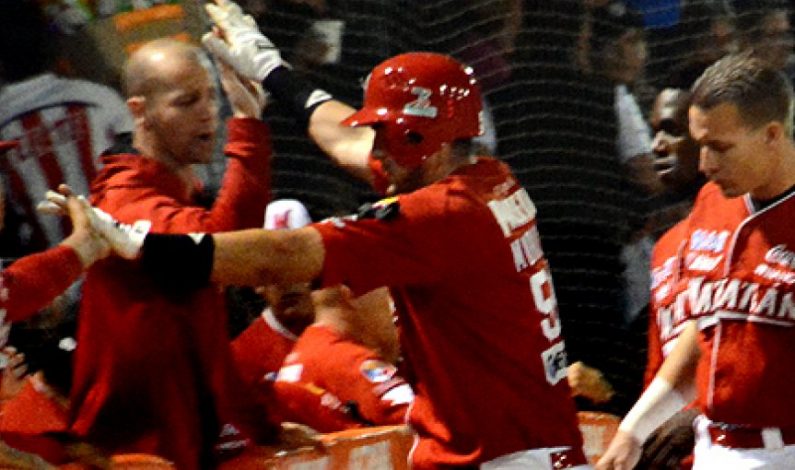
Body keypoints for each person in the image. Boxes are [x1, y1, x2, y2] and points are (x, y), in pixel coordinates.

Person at [85, 4, 590, 466]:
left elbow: (284, 255)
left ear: (423, 141)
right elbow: (346, 137)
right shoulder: (487, 178)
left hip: (501, 458)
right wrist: (270, 69)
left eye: (389, 136)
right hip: (536, 445)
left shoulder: (438, 215)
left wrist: (148, 247)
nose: (376, 151)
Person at [67, 38, 278, 469]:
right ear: (138, 111)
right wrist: (247, 124)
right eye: (186, 102)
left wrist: (259, 426)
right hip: (133, 453)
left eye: (210, 97)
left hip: (181, 445)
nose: (207, 112)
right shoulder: (123, 201)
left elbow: (207, 340)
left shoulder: (182, 197)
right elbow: (225, 251)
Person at [597, 52, 795, 469]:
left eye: (720, 147)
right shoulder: (712, 201)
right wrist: (634, 428)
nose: (705, 164)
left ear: (773, 134)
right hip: (711, 446)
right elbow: (706, 326)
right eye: (701, 144)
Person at [0, 1, 133, 255]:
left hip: (49, 282)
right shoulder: (100, 100)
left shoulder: (3, 126)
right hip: (125, 261)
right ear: (50, 43)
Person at [270, 285, 412, 432]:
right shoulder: (355, 363)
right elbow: (423, 423)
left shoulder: (303, 354)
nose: (392, 309)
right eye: (385, 295)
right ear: (351, 294)